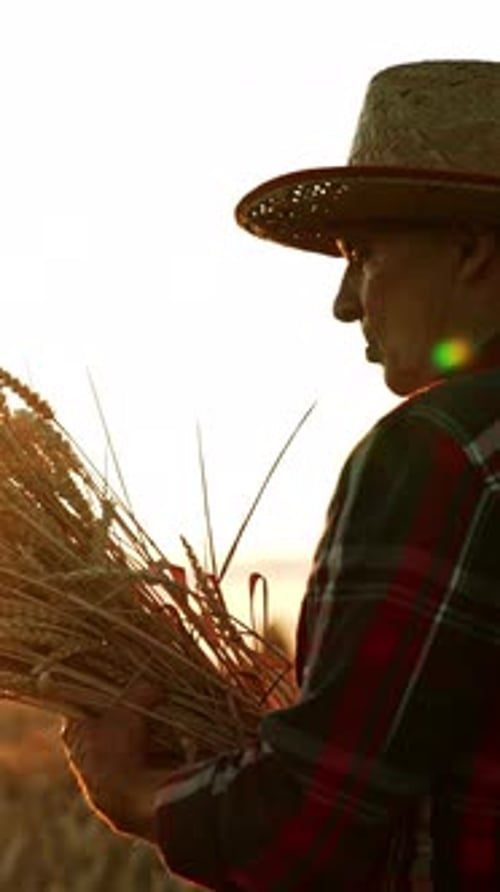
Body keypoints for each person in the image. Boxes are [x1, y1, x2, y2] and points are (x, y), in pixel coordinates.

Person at [62, 60, 500, 890]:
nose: (344, 301)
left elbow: (311, 828)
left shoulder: (443, 453)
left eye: (363, 254)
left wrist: (138, 793)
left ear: (473, 251)